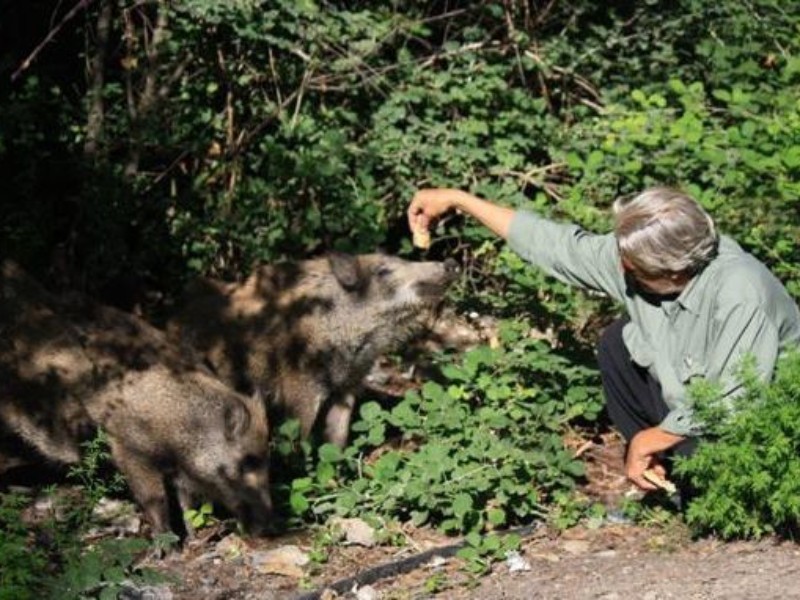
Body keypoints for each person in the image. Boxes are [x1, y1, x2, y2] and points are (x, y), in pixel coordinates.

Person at [408, 186, 800, 492]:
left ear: (674, 271)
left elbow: (736, 402)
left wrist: (651, 440)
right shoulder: (643, 260)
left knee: (723, 470)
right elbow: (557, 246)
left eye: (629, 266)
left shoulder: (739, 291)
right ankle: (669, 478)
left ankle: (694, 481)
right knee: (616, 342)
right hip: (696, 405)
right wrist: (458, 200)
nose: (619, 268)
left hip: (761, 427)